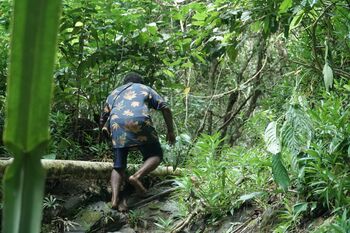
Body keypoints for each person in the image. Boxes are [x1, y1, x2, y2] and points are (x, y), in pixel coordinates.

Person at [100, 72, 176, 211]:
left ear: (125, 82)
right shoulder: (144, 88)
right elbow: (164, 107)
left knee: (118, 166)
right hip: (139, 121)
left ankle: (114, 199)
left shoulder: (114, 93)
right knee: (155, 154)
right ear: (139, 82)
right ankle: (136, 177)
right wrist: (170, 131)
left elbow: (103, 117)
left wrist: (108, 134)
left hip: (116, 125)